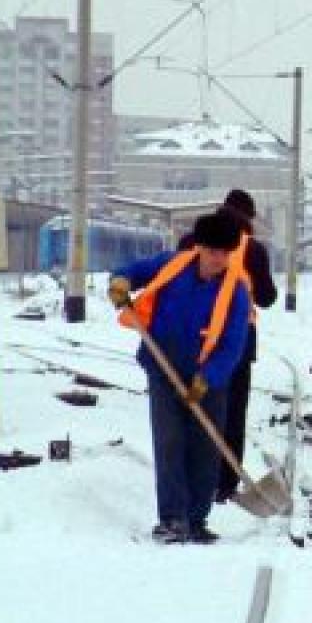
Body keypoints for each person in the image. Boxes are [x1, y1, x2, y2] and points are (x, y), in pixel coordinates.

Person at [109, 212, 251, 545]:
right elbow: (131, 270)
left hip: (207, 376)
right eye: (214, 251)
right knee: (169, 441)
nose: (219, 260)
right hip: (162, 366)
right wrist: (120, 282)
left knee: (204, 446)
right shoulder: (172, 265)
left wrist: (208, 377)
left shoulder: (236, 290)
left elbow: (233, 343)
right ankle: (173, 518)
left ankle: (197, 519)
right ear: (201, 247)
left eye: (225, 253)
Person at [179, 189, 278, 503]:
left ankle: (192, 474)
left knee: (195, 406)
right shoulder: (253, 249)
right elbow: (267, 297)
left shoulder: (193, 240)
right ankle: (225, 482)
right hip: (238, 340)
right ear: (248, 218)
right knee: (233, 413)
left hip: (195, 338)